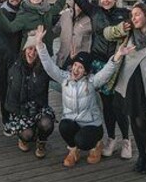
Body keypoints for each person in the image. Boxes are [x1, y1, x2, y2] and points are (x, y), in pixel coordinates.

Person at [54, 0, 132, 160]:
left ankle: (127, 141)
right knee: (106, 105)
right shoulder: (94, 12)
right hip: (98, 62)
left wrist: (145, 1)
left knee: (119, 104)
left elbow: (142, 18)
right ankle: (111, 138)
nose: (105, 0)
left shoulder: (124, 14)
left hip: (118, 62)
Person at [34, 25, 133, 167]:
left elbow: (106, 72)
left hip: (91, 124)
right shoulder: (65, 78)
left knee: (82, 141)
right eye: (75, 65)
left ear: (86, 72)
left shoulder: (92, 81)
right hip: (72, 121)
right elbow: (49, 67)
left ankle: (96, 146)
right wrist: (39, 45)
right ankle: (73, 151)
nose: (76, 69)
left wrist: (117, 55)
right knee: (64, 126)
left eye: (81, 67)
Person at [0, 14, 53, 159]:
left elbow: (58, 72)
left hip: (38, 109)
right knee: (27, 135)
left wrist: (40, 44)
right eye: (29, 49)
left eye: (35, 50)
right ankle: (23, 137)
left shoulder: (45, 68)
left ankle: (42, 141)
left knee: (47, 124)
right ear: (24, 50)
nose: (32, 53)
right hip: (21, 110)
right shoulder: (14, 62)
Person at [104, 1, 146, 175]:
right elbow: (106, 33)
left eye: (137, 14)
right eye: (132, 15)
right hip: (127, 84)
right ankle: (141, 156)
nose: (133, 18)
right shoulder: (127, 34)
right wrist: (120, 28)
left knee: (142, 123)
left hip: (145, 85)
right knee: (134, 122)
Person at [53, 0, 94, 69]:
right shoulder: (65, 15)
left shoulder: (91, 19)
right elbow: (55, 31)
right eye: (78, 1)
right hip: (62, 59)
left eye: (84, 2)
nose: (80, 4)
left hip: (78, 62)